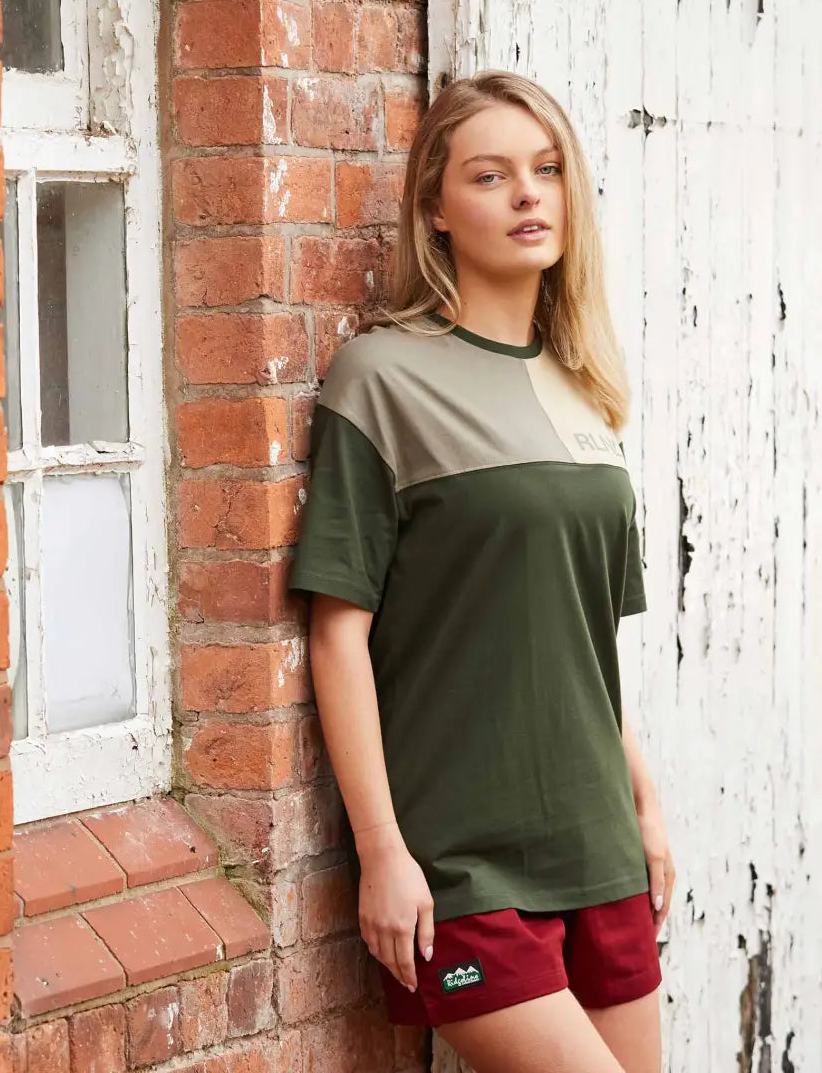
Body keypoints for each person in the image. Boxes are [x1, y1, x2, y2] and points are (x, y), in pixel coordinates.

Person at [287, 70, 675, 1073]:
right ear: (437, 211)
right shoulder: (381, 380)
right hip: (460, 867)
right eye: (492, 176)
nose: (528, 196)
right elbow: (339, 635)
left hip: (601, 849)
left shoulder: (587, 390)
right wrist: (383, 851)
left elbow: (584, 645)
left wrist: (645, 805)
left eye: (546, 171)